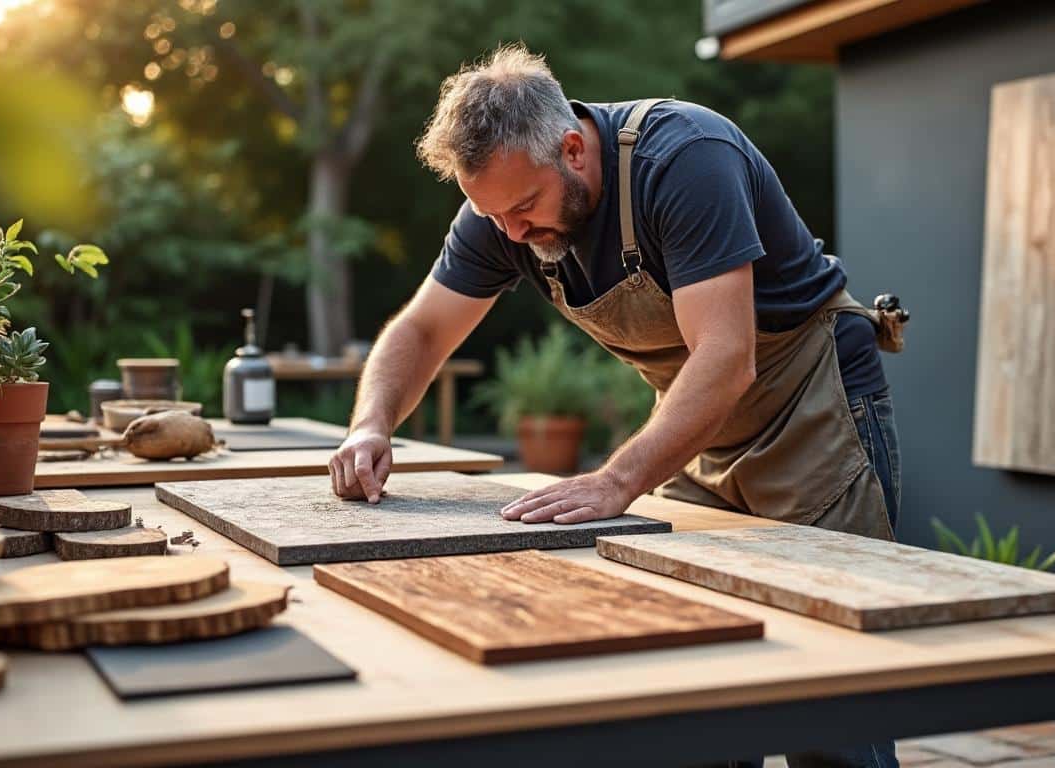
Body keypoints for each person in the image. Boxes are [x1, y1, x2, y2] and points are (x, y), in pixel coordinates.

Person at [328, 45, 903, 768]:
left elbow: (727, 358)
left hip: (812, 408)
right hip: (697, 427)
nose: (511, 234)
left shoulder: (685, 160)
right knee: (693, 672)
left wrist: (617, 479)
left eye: (524, 208)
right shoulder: (503, 210)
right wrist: (370, 424)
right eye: (492, 215)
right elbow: (420, 331)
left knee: (828, 695)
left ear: (572, 148)